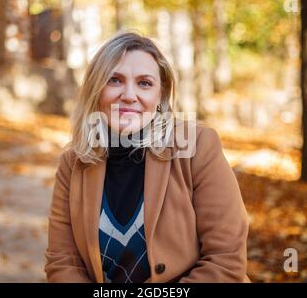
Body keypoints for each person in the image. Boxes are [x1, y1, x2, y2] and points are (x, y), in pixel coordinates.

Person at [44, 32, 250, 283]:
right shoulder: (73, 163)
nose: (129, 95)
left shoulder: (197, 147)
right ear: (96, 90)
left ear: (160, 95)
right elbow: (62, 262)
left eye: (144, 83)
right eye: (115, 80)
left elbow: (225, 260)